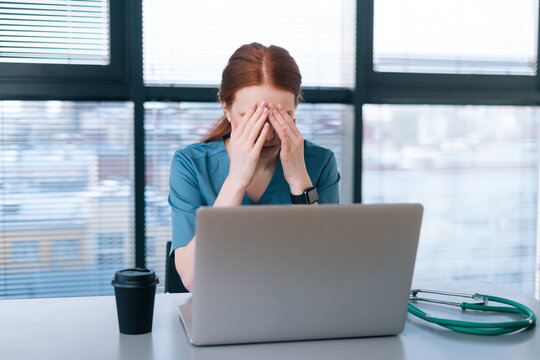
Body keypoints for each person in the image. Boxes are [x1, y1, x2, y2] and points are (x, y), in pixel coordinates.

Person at [169, 42, 341, 292]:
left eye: (279, 118)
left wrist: (299, 182)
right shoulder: (191, 164)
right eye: (252, 119)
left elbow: (327, 270)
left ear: (295, 111)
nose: (268, 135)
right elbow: (193, 279)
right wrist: (236, 180)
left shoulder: (320, 163)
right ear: (226, 109)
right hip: (220, 310)